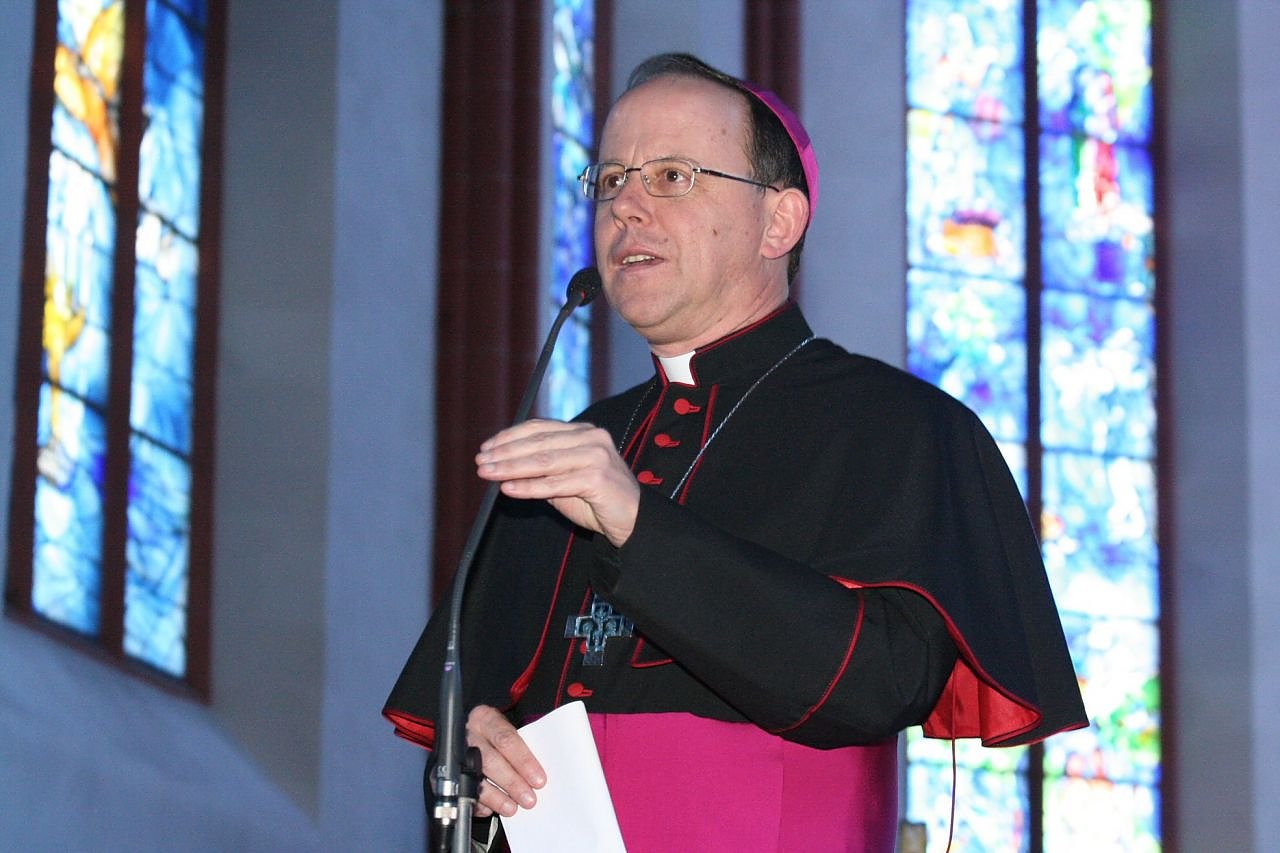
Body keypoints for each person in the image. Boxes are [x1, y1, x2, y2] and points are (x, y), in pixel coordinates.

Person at [385, 53, 1087, 852]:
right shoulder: (584, 442)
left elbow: (878, 682)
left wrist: (637, 522)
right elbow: (478, 708)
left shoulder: (901, 427)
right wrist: (474, 748)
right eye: (610, 179)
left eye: (672, 176)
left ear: (778, 222)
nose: (626, 207)